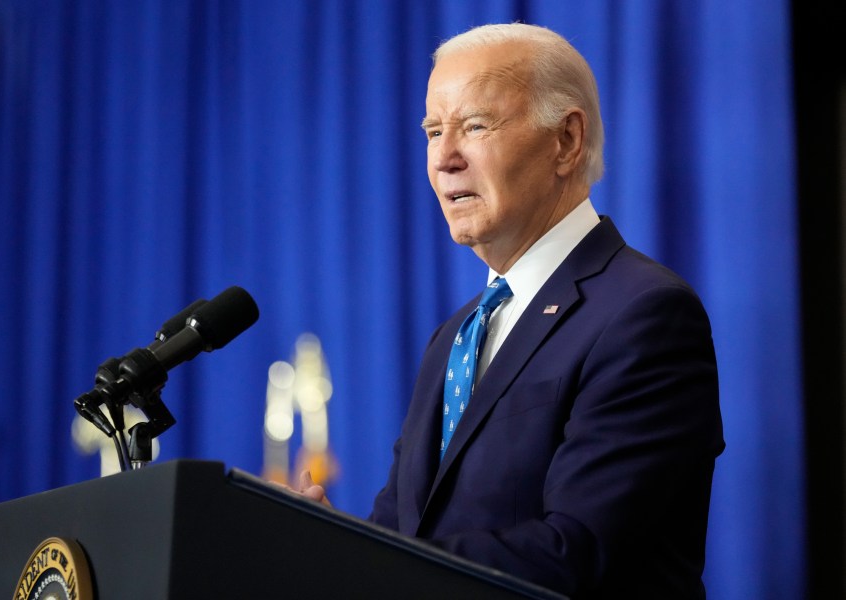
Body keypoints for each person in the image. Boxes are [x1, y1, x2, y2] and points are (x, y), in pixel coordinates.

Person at [297, 23, 724, 599]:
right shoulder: (455, 336)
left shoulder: (644, 315)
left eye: (475, 126)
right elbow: (403, 529)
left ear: (566, 141)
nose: (445, 158)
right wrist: (318, 547)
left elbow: (581, 553)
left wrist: (358, 559)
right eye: (432, 131)